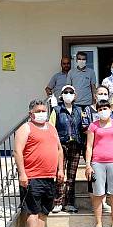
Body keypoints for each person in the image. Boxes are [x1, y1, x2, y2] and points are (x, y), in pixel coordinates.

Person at [13, 99, 64, 227]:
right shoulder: (25, 128)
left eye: (44, 111)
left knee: (44, 211)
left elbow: (59, 150)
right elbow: (17, 152)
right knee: (32, 211)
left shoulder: (51, 128)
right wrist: (22, 173)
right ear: (31, 113)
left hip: (49, 176)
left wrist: (60, 169)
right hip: (32, 177)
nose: (42, 114)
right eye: (38, 111)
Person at [85, 100, 113, 227]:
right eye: (101, 109)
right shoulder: (93, 126)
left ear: (110, 109)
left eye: (105, 108)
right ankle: (98, 222)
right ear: (97, 111)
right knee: (98, 193)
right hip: (97, 162)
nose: (103, 111)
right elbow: (89, 146)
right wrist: (88, 164)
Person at [49, 85, 82, 214]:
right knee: (60, 174)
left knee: (72, 176)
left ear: (75, 95)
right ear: (61, 95)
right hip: (61, 146)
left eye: (71, 92)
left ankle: (69, 203)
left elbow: (83, 127)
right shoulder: (56, 110)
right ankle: (58, 202)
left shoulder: (79, 110)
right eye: (66, 92)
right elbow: (51, 129)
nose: (68, 94)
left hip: (75, 145)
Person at [82, 86, 113, 213]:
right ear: (95, 96)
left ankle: (103, 201)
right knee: (93, 177)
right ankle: (95, 202)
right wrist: (96, 131)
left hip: (107, 150)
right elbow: (84, 127)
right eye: (100, 93)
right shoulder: (88, 110)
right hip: (92, 148)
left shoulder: (109, 111)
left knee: (105, 178)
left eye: (105, 93)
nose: (103, 95)